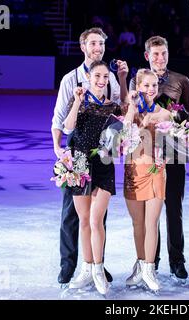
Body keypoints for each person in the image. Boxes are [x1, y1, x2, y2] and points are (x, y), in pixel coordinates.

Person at [51, 27, 128, 286]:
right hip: (78, 152)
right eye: (93, 43)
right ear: (83, 46)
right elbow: (59, 120)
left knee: (99, 217)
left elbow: (119, 109)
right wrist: (57, 147)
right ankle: (69, 264)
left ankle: (97, 265)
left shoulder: (110, 77)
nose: (98, 48)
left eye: (101, 44)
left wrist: (123, 78)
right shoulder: (70, 79)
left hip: (103, 152)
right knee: (72, 214)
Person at [129, 36, 189, 281]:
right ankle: (149, 262)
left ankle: (177, 260)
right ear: (147, 56)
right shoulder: (140, 82)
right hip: (144, 157)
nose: (160, 58)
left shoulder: (181, 81)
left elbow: (188, 116)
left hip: (173, 155)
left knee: (174, 209)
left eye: (163, 53)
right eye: (155, 54)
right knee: (146, 215)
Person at [63, 61, 122, 295]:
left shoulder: (113, 107)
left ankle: (98, 269)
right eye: (97, 75)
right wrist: (77, 100)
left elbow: (121, 135)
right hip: (79, 162)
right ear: (88, 77)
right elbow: (68, 128)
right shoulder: (79, 101)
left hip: (104, 164)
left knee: (97, 220)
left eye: (105, 77)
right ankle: (86, 268)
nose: (101, 80)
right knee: (84, 220)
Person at [124, 69, 171, 292]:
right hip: (133, 171)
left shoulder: (165, 114)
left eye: (154, 85)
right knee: (137, 223)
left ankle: (150, 269)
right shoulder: (130, 110)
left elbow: (173, 148)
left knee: (151, 222)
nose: (151, 90)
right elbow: (122, 136)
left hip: (155, 171)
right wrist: (133, 107)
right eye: (146, 86)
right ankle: (140, 264)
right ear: (138, 87)